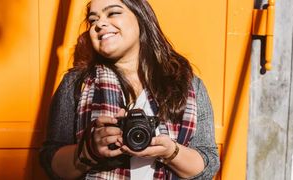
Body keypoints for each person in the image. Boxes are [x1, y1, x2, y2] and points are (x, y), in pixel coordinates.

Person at [40, 0, 220, 179]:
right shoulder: (75, 83)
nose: (99, 24)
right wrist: (88, 150)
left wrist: (170, 152)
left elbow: (208, 165)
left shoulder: (188, 86)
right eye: (93, 20)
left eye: (113, 13)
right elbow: (51, 163)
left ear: (141, 17)